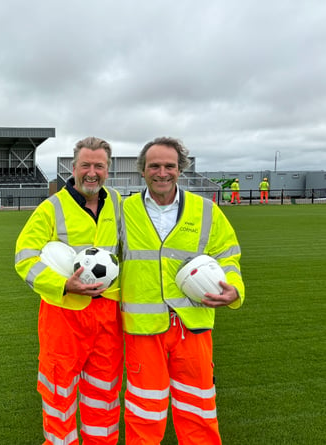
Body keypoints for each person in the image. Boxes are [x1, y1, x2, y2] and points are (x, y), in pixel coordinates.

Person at [119, 137, 245, 445]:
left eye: (169, 166)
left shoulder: (206, 211)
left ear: (181, 169)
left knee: (198, 409)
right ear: (142, 170)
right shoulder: (123, 210)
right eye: (154, 166)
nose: (162, 173)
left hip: (193, 326)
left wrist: (234, 289)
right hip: (143, 329)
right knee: (144, 412)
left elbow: (227, 255)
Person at [15, 137, 124, 445]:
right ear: (73, 167)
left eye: (99, 166)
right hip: (63, 314)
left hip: (108, 314)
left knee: (104, 394)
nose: (92, 172)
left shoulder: (118, 202)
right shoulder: (51, 208)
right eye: (85, 165)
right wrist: (63, 283)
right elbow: (24, 258)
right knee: (59, 393)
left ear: (108, 169)